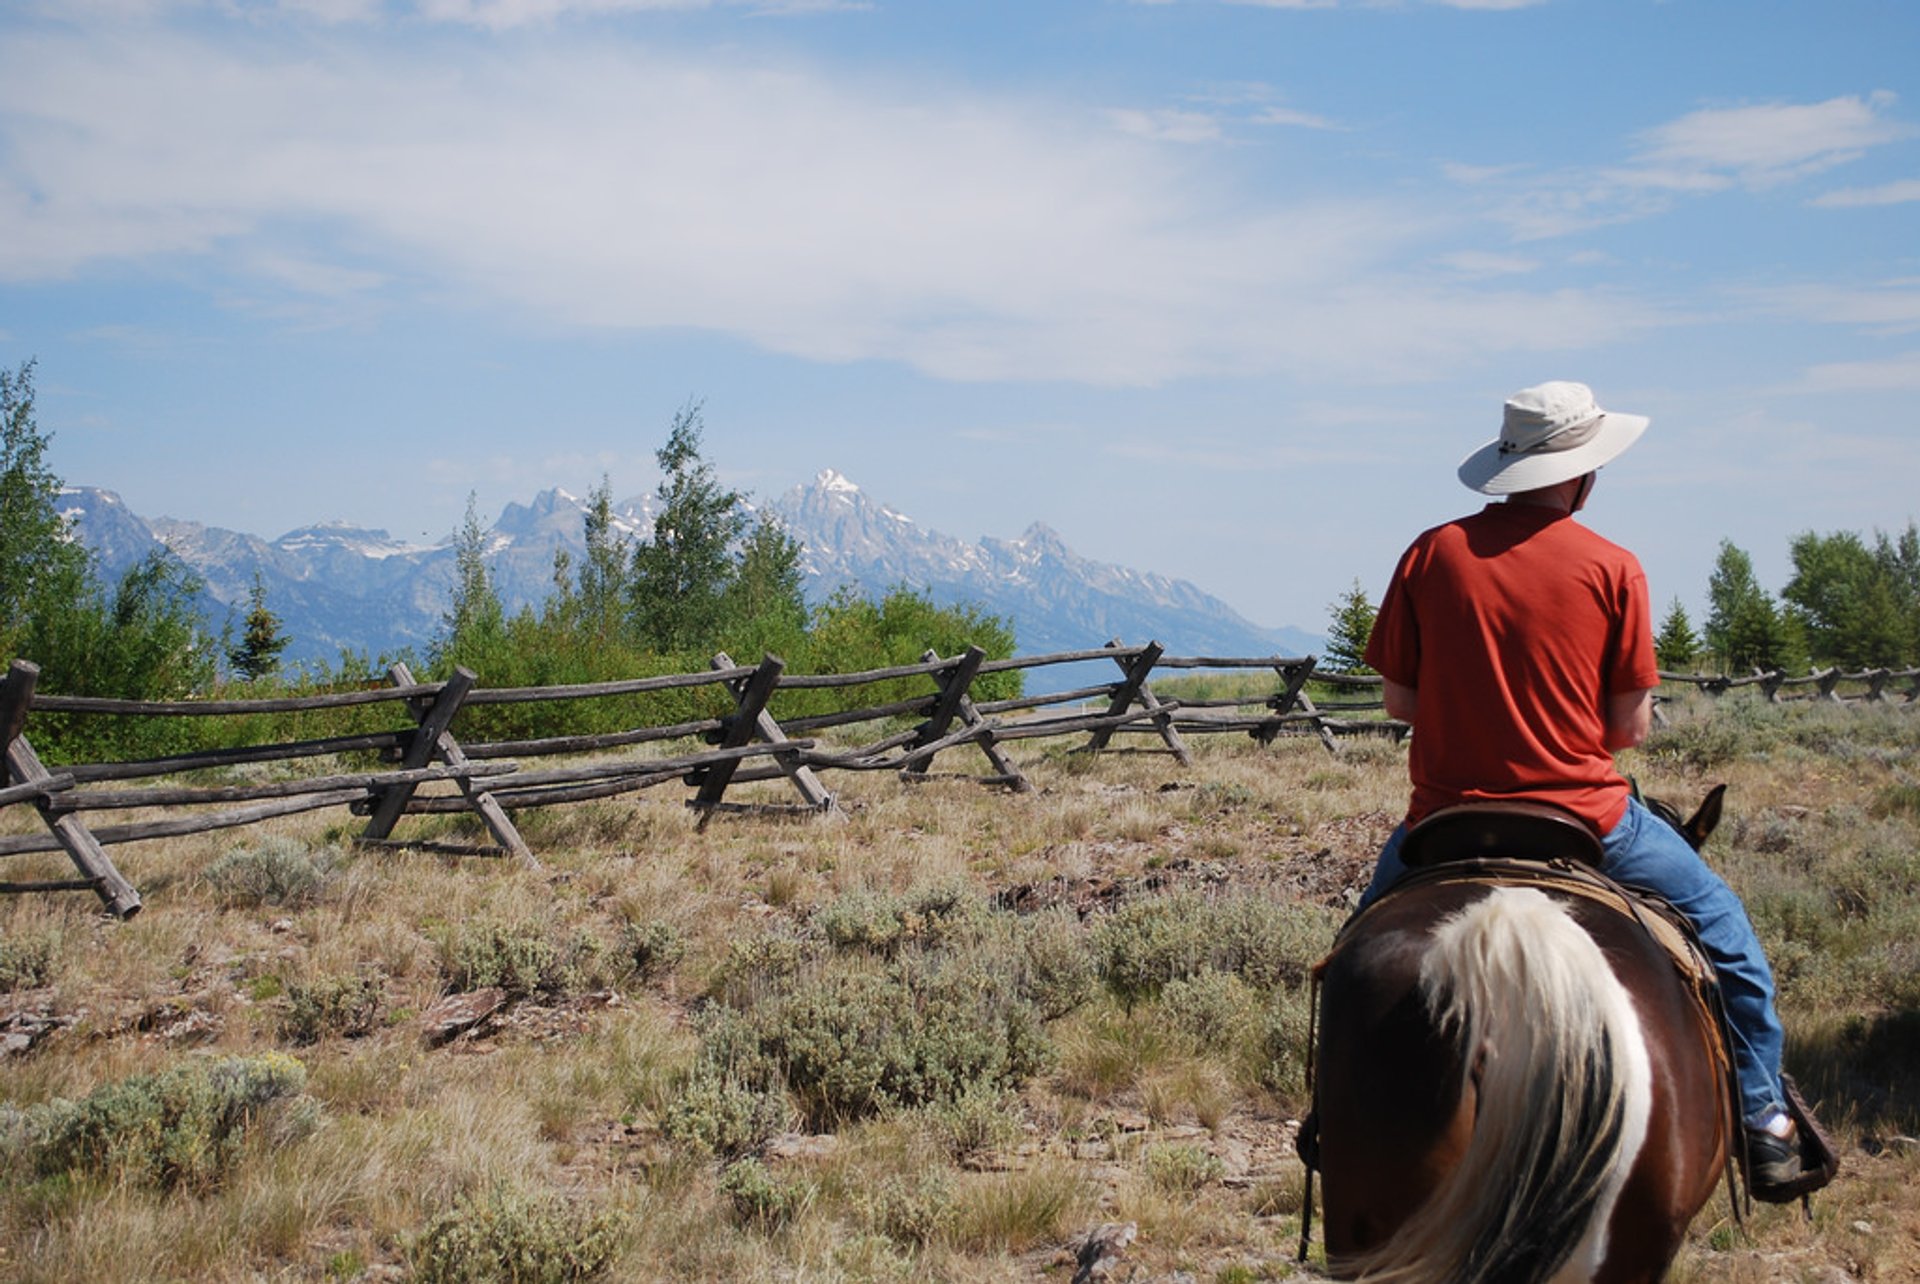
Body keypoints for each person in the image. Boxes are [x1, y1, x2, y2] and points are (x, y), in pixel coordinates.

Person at [1357, 380, 1806, 1199]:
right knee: (1726, 936)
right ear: (1583, 474)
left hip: (1444, 821)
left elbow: (1399, 701)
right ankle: (1763, 1118)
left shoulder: (1430, 554)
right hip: (1587, 820)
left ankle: (1336, 1117)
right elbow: (1628, 729)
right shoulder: (1612, 567)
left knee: (1353, 960)